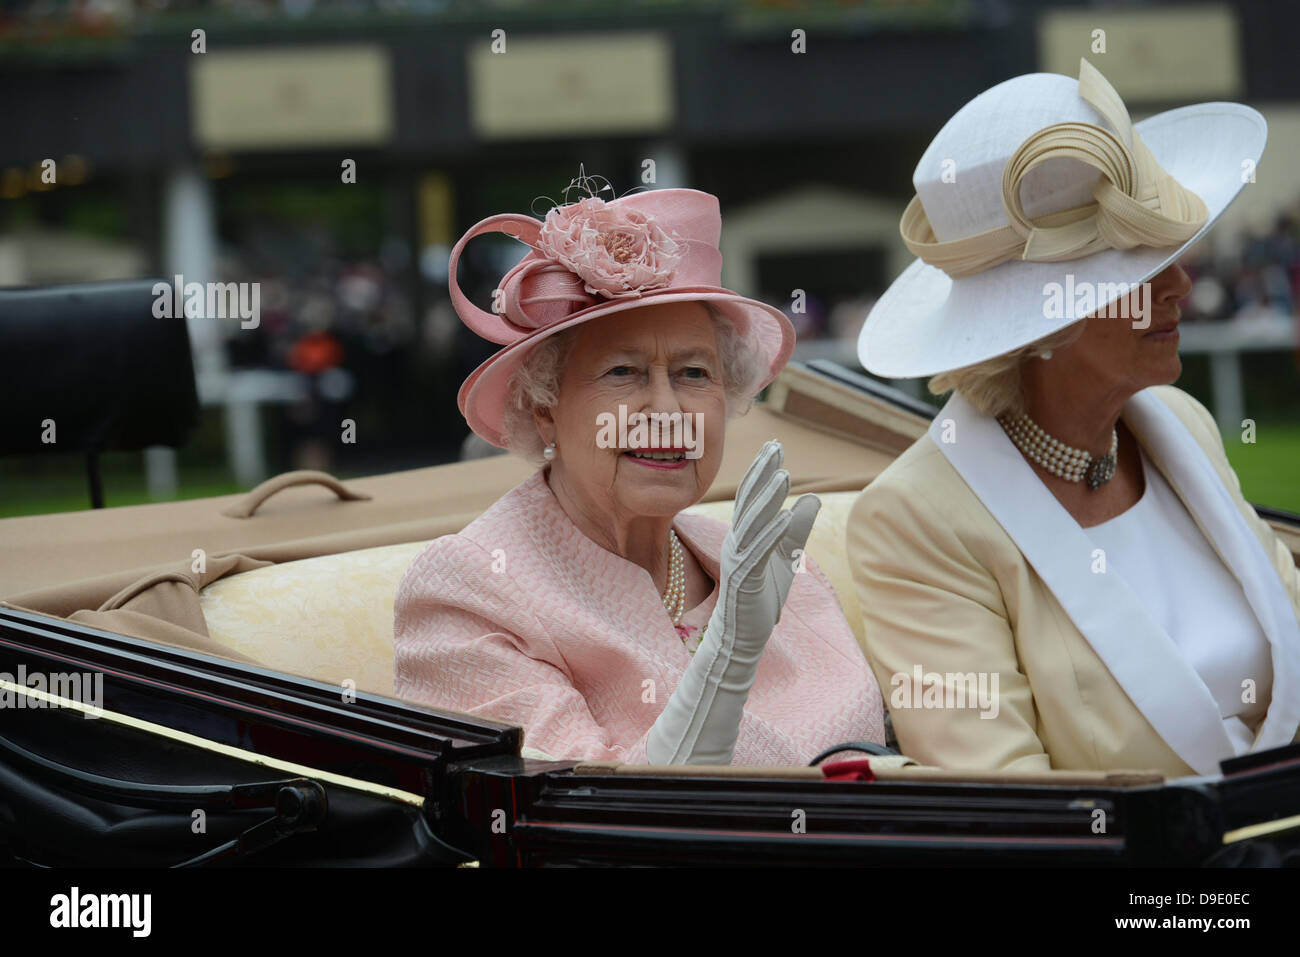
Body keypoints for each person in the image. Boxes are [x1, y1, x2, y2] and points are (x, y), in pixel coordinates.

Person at [847, 59, 1300, 777]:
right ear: (1040, 327)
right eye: (1139, 268)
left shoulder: (1182, 423)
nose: (1183, 283)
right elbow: (1011, 807)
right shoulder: (916, 520)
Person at [395, 178, 885, 765]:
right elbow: (579, 826)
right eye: (623, 372)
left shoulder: (769, 564)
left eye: (695, 374)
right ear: (545, 406)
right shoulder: (470, 593)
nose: (667, 411)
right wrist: (723, 666)